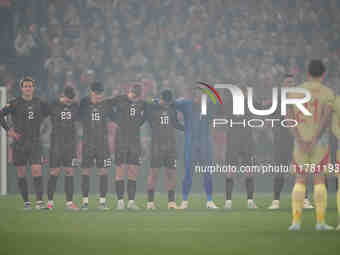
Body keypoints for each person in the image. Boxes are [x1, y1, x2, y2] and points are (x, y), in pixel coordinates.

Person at [288, 60, 335, 231]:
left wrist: (300, 140)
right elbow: (326, 117)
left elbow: (288, 118)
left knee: (300, 179)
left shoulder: (294, 92)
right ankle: (320, 222)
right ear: (323, 74)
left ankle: (296, 222)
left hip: (300, 141)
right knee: (319, 179)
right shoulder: (328, 93)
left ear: (307, 73)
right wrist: (315, 138)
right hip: (319, 142)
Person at [0, 76, 49, 210]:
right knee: (21, 172)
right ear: (22, 88)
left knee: (36, 170)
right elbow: (1, 114)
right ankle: (26, 202)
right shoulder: (15, 103)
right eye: (25, 86)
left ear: (34, 88)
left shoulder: (40, 103)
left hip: (35, 142)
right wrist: (9, 131)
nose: (28, 88)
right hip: (19, 143)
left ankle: (39, 202)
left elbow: (49, 116)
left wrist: (44, 129)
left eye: (30, 86)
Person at [268, 74, 314, 210]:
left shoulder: (302, 102)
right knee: (279, 170)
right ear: (282, 85)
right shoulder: (276, 102)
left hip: (297, 141)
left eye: (292, 83)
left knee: (301, 171)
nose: (290, 85)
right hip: (281, 141)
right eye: (288, 83)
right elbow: (269, 120)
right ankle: (276, 201)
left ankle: (305, 199)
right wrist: (273, 134)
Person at [174, 87, 218, 209]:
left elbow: (217, 101)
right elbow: (172, 103)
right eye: (197, 94)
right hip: (191, 143)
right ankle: (184, 201)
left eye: (202, 94)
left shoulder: (209, 105)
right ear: (193, 95)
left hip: (204, 142)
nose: (200, 97)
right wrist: (181, 98)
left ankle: (209, 201)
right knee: (188, 172)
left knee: (207, 172)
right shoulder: (186, 104)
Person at [145, 89, 184, 209]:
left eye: (168, 102)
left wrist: (187, 129)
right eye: (164, 101)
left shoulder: (172, 109)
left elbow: (176, 124)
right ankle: (150, 203)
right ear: (160, 99)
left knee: (171, 174)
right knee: (153, 174)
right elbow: (146, 102)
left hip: (170, 146)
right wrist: (154, 101)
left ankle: (171, 203)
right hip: (157, 146)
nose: (166, 104)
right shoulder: (152, 108)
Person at [109, 84, 146, 210]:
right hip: (121, 140)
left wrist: (137, 124)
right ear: (129, 91)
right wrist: (115, 119)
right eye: (132, 92)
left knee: (133, 172)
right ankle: (120, 201)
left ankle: (131, 201)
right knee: (120, 171)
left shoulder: (141, 104)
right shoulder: (120, 99)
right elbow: (107, 105)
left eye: (136, 94)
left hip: (134, 140)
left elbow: (144, 117)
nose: (133, 95)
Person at [78, 82, 113, 211]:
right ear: (91, 92)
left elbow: (114, 117)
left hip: (102, 143)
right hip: (87, 141)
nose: (98, 96)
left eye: (100, 93)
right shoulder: (84, 103)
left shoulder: (106, 104)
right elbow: (76, 118)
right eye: (96, 93)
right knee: (85, 170)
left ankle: (102, 202)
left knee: (103, 171)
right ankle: (85, 202)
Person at [46, 86, 79, 211]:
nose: (69, 102)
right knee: (54, 172)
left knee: (70, 172)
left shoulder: (75, 106)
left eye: (71, 100)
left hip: (71, 144)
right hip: (56, 143)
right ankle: (49, 203)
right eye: (67, 99)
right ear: (62, 95)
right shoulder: (53, 105)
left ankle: (69, 203)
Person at [224, 86, 257, 209]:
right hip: (234, 141)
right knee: (230, 172)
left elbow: (263, 106)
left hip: (246, 142)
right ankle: (228, 201)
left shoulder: (250, 104)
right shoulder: (229, 103)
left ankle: (249, 201)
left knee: (248, 172)